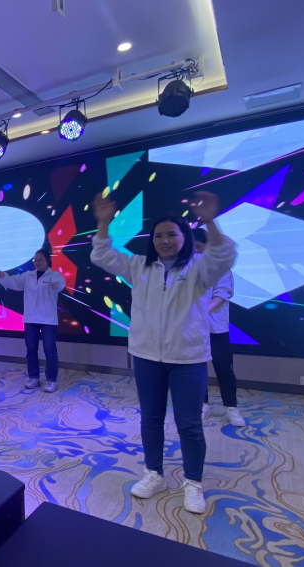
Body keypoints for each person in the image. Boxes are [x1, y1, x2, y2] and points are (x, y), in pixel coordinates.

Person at [90, 190, 236, 515]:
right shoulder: (139, 266)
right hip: (146, 359)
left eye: (172, 234)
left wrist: (210, 221)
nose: (164, 240)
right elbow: (102, 256)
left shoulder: (200, 269)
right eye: (158, 235)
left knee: (189, 425)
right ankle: (154, 474)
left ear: (185, 237)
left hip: (187, 360)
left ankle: (193, 482)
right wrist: (103, 223)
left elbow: (224, 254)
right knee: (151, 419)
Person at [193, 228, 244, 427]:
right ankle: (203, 404)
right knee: (197, 367)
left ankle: (231, 408)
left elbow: (222, 295)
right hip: (193, 327)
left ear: (208, 246)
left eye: (199, 247)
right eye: (192, 248)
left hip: (216, 327)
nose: (195, 252)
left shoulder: (220, 266)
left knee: (224, 369)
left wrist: (202, 311)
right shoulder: (188, 267)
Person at [0, 248, 66, 393]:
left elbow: (60, 284)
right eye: (35, 260)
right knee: (31, 349)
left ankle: (51, 380)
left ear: (48, 261)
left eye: (40, 260)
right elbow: (12, 282)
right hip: (30, 318)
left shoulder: (54, 275)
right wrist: (3, 276)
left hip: (48, 319)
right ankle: (34, 377)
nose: (37, 262)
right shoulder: (27, 276)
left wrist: (55, 286)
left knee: (49, 350)